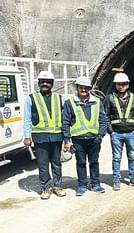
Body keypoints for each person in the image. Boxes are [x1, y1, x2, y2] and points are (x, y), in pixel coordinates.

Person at [23, 71, 66, 200]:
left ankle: (57, 186)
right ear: (39, 83)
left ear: (52, 84)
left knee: (56, 163)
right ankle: (46, 188)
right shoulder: (31, 98)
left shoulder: (60, 98)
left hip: (56, 136)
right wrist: (27, 136)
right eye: (43, 82)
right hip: (40, 136)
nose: (45, 84)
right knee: (42, 164)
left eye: (48, 82)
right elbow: (27, 119)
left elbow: (66, 117)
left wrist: (67, 136)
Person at [62, 76, 108, 196]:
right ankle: (82, 185)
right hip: (78, 139)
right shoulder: (70, 103)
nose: (83, 89)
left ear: (89, 88)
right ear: (77, 88)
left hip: (94, 139)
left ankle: (95, 184)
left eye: (86, 87)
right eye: (81, 87)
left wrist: (101, 135)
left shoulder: (97, 102)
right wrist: (67, 139)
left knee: (94, 162)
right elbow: (65, 122)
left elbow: (103, 119)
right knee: (81, 163)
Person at [104, 72, 134, 191]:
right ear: (115, 85)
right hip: (116, 133)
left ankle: (133, 178)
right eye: (118, 84)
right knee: (116, 157)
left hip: (131, 133)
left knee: (132, 156)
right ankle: (116, 180)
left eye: (123, 84)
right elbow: (105, 115)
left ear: (127, 85)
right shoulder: (110, 98)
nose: (120, 86)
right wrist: (110, 131)